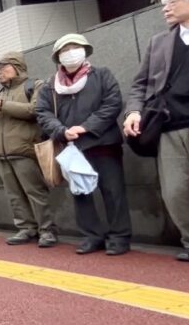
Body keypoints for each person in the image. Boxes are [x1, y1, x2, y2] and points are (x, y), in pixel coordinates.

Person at [124, 0, 189, 264]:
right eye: (164, 3)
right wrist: (133, 111)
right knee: (175, 192)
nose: (166, 8)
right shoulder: (158, 43)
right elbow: (140, 84)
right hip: (167, 129)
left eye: (173, 1)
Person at [37, 34, 132, 256]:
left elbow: (113, 103)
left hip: (104, 144)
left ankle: (119, 237)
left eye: (75, 47)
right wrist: (61, 131)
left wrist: (86, 127)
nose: (71, 52)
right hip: (72, 149)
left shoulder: (102, 75)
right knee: (80, 193)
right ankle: (92, 236)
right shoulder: (50, 86)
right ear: (57, 57)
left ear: (85, 51)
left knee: (113, 192)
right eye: (65, 49)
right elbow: (42, 112)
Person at [0, 52, 59, 248]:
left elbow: (35, 111)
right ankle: (26, 228)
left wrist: (3, 105)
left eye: (4, 68)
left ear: (17, 67)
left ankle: (47, 230)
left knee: (35, 192)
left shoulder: (35, 85)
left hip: (24, 149)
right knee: (14, 194)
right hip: (2, 152)